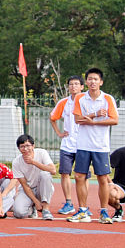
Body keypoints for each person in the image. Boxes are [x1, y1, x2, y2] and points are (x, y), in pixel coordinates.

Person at [67, 68, 118, 223]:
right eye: (89, 79)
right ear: (86, 81)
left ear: (101, 82)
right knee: (79, 176)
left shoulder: (107, 99)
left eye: (95, 79)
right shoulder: (80, 99)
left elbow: (114, 120)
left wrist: (95, 122)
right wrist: (94, 116)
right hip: (83, 144)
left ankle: (104, 211)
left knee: (102, 178)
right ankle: (82, 210)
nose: (92, 82)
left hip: (101, 146)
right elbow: (77, 120)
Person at [48, 75, 83, 215]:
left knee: (83, 175)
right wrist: (59, 133)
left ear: (82, 86)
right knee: (65, 173)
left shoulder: (87, 101)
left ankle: (83, 206)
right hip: (67, 144)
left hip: (83, 144)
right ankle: (68, 202)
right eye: (71, 84)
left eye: (76, 84)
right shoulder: (64, 102)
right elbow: (52, 118)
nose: (73, 86)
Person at [11, 135, 56, 220]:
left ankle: (46, 210)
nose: (25, 149)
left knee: (45, 174)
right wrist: (36, 202)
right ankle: (32, 208)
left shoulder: (42, 153)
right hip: (27, 190)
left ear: (33, 146)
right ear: (19, 148)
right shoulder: (16, 162)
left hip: (41, 188)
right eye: (22, 147)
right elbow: (24, 185)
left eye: (28, 146)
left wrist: (33, 162)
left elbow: (53, 170)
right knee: (18, 213)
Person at [0, 149, 20, 216]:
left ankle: (0, 209)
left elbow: (14, 179)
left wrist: (4, 194)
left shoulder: (1, 167)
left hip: (1, 194)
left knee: (8, 181)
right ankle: (4, 207)